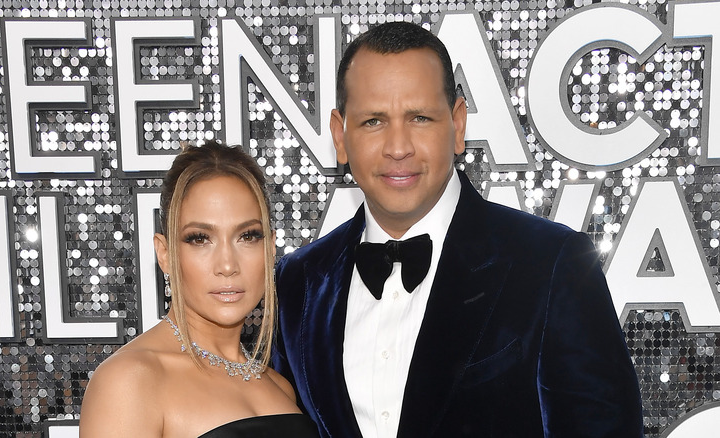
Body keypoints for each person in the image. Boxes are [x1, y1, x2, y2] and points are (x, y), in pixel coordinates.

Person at [272, 21, 643, 437]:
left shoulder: (552, 264)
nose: (398, 147)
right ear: (340, 136)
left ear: (458, 124)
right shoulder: (297, 283)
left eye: (420, 117)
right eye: (374, 121)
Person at [80, 141, 319, 437]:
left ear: (270, 247)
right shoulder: (131, 381)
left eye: (247, 236)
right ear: (164, 254)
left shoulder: (280, 387)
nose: (228, 264)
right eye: (200, 238)